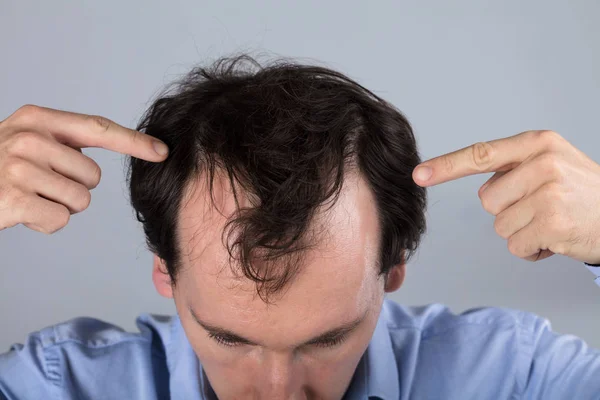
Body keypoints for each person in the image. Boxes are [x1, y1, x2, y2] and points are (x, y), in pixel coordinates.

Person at [0, 55, 599, 400]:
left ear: (393, 268)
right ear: (165, 267)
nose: (281, 395)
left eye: (326, 339)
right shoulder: (56, 388)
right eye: (231, 340)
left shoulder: (516, 379)